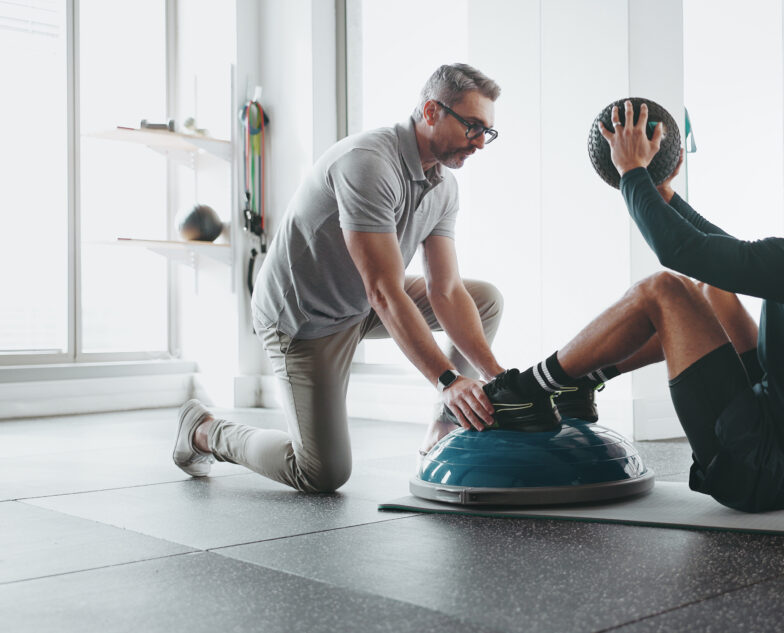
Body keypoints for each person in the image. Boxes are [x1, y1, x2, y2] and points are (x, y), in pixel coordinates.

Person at [485, 101, 784, 512]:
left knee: (662, 289)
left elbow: (680, 251)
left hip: (761, 471)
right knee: (713, 290)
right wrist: (665, 195)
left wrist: (632, 172)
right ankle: (582, 380)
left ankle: (527, 391)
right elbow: (724, 255)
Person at [172, 63, 522, 493]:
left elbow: (445, 290)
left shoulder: (443, 185)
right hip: (304, 319)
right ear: (431, 111)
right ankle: (205, 430)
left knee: (484, 298)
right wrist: (448, 380)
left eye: (488, 131)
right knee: (321, 473)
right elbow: (384, 290)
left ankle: (446, 428)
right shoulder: (369, 164)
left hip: (361, 302)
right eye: (473, 127)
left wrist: (496, 376)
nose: (481, 143)